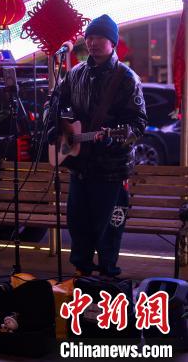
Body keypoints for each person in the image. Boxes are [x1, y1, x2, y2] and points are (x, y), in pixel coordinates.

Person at [53, 15, 147, 278]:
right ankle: (81, 272)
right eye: (89, 37)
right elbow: (58, 105)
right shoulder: (76, 73)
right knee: (77, 222)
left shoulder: (126, 78)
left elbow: (138, 124)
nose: (92, 43)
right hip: (79, 163)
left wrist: (113, 138)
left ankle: (108, 275)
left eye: (99, 38)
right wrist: (58, 128)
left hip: (111, 168)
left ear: (112, 43)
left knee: (107, 227)